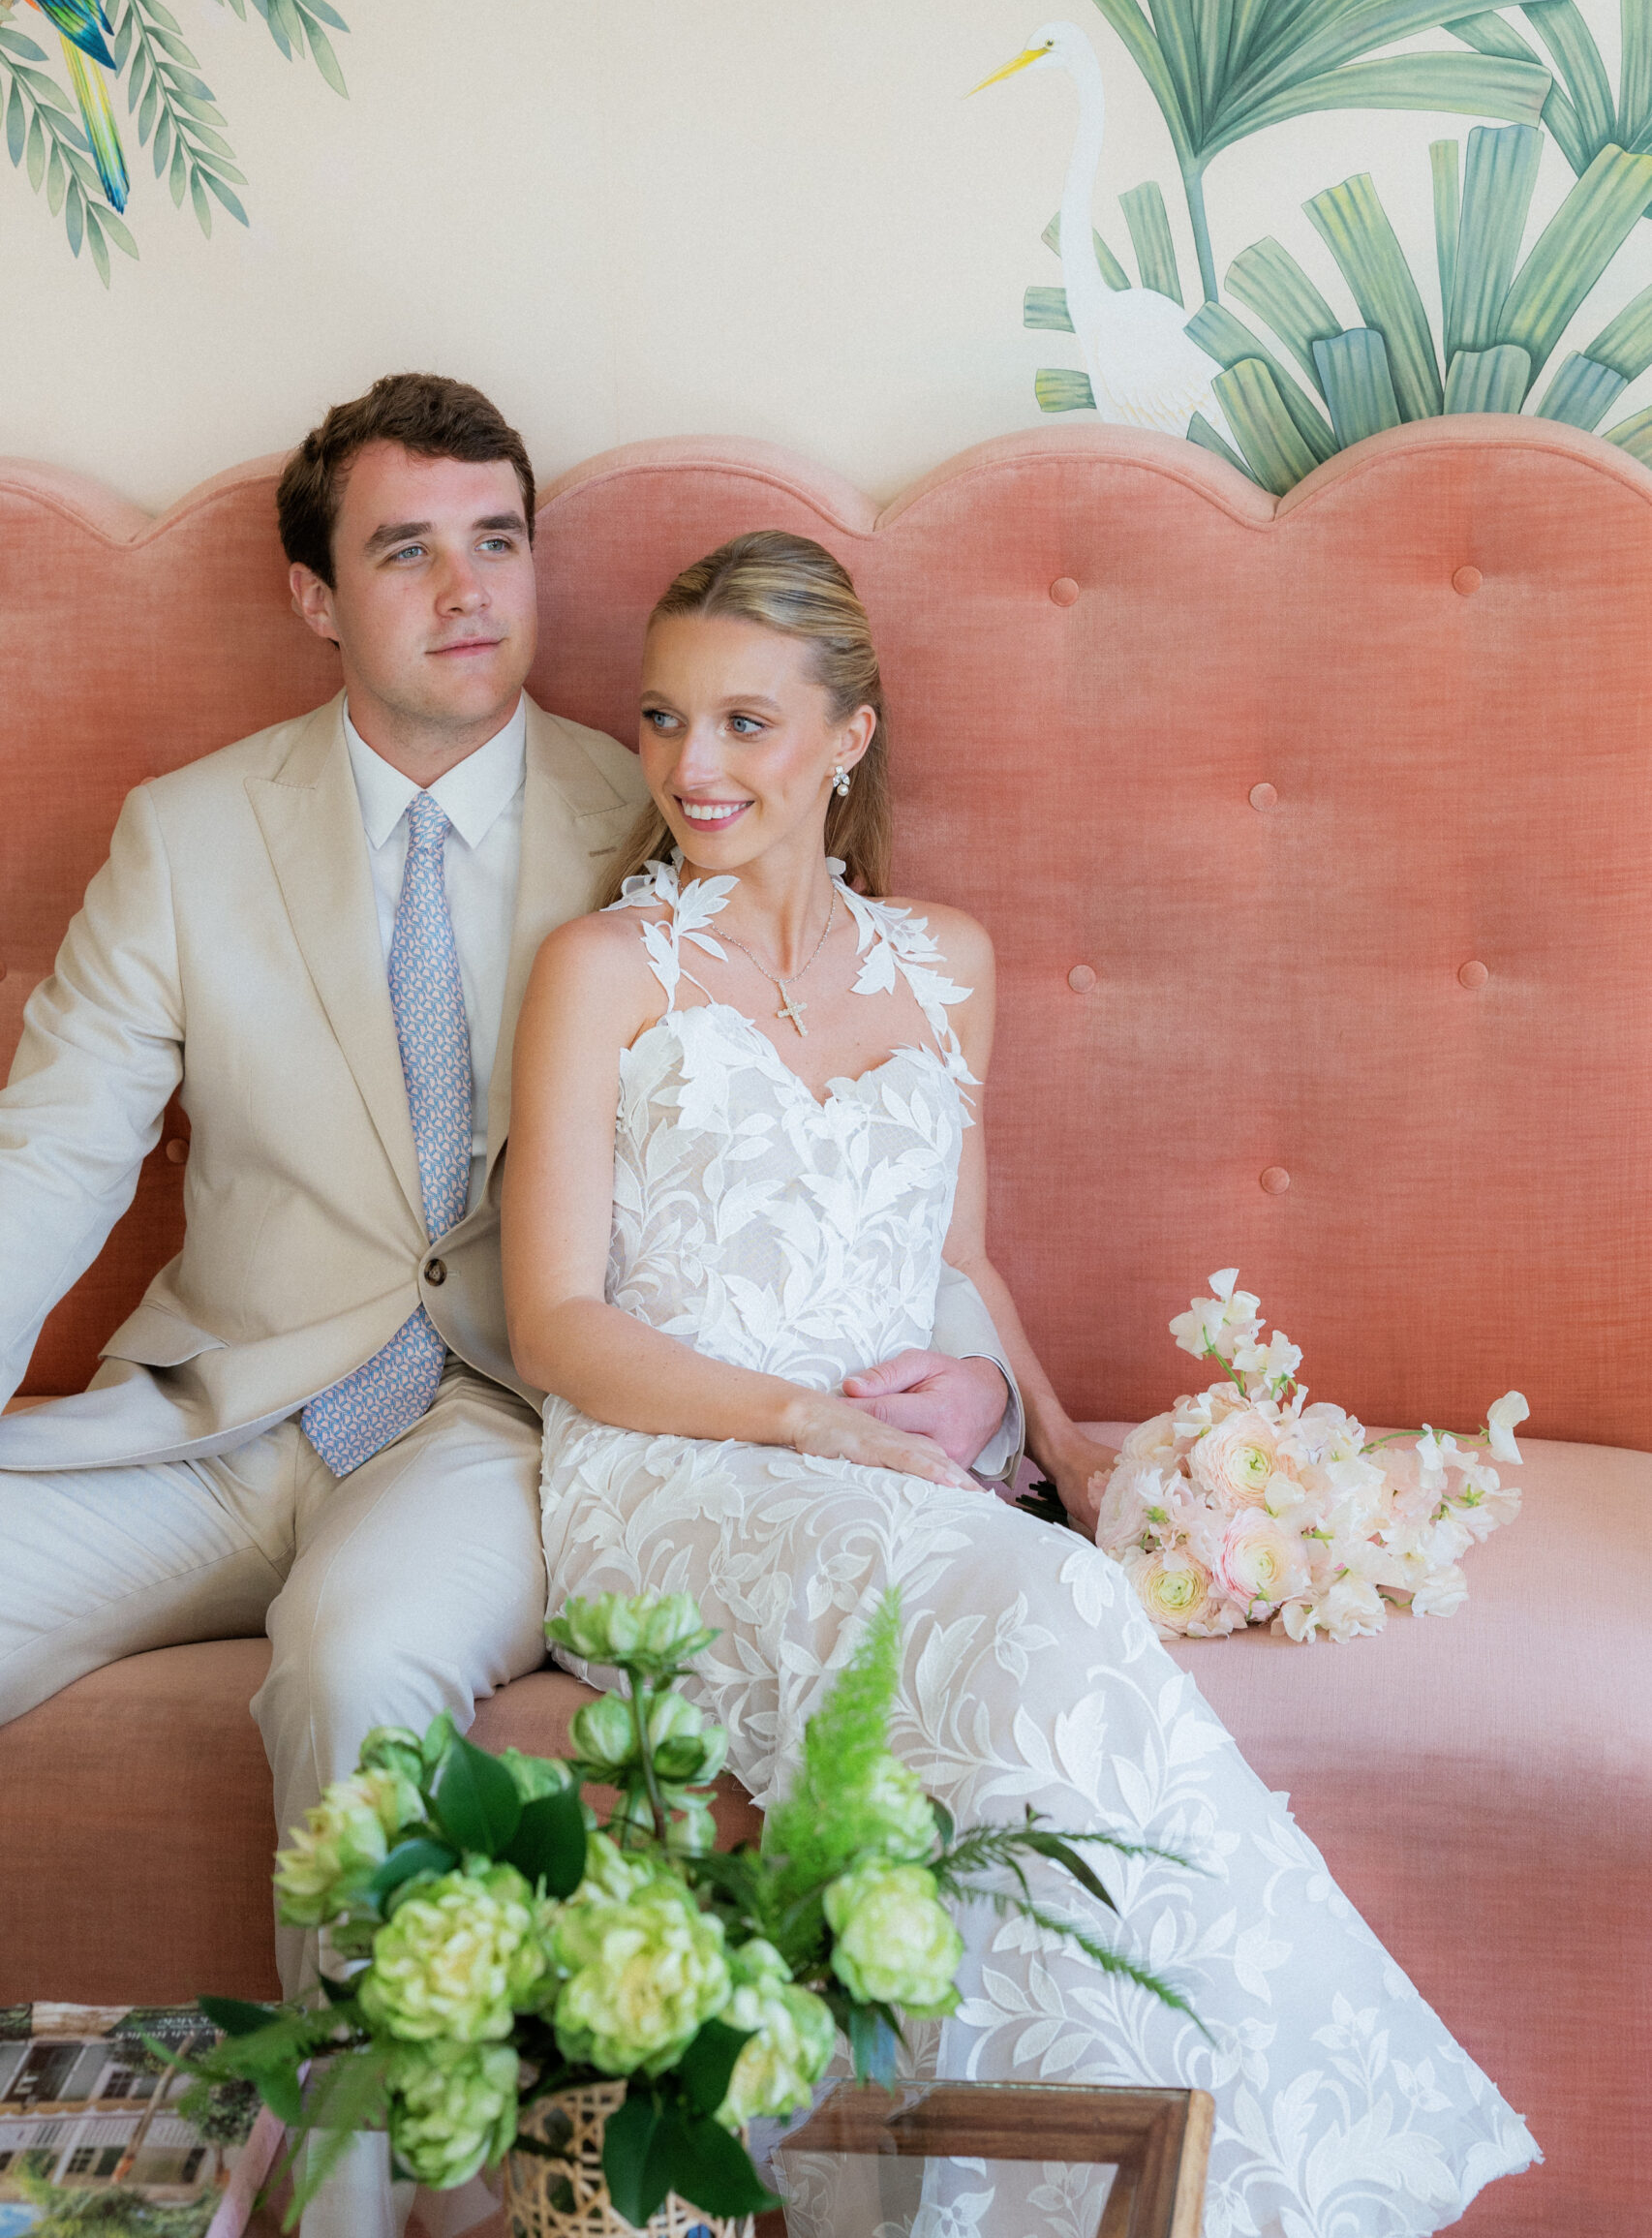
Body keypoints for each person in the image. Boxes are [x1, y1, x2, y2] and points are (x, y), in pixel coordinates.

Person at [0, 381, 1025, 2238]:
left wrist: (993, 1404)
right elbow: (49, 1157)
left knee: (354, 1663)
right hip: (216, 1413)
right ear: (317, 596)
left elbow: (848, 1134)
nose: (471, 591)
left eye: (501, 542)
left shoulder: (662, 806)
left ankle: (352, 2210)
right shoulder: (187, 832)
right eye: (407, 549)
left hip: (494, 1429)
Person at [504, 529, 1540, 2238]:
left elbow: (958, 1260)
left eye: (748, 725)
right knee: (1038, 1616)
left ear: (848, 737)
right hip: (676, 1465)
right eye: (665, 720)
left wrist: (1053, 1438)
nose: (694, 768)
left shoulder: (944, 964)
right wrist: (808, 1422)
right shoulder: (603, 970)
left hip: (895, 1473)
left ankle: (1118, 2186)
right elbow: (550, 1319)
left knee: (1051, 1601)